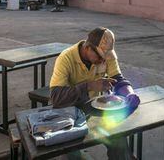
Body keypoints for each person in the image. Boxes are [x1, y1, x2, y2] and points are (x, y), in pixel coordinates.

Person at [50, 27, 140, 160]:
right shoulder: (65, 58)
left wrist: (129, 94)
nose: (103, 61)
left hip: (97, 110)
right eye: (99, 56)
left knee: (119, 142)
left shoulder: (106, 56)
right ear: (87, 47)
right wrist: (90, 86)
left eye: (106, 57)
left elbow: (118, 79)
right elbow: (57, 97)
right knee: (72, 154)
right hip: (72, 113)